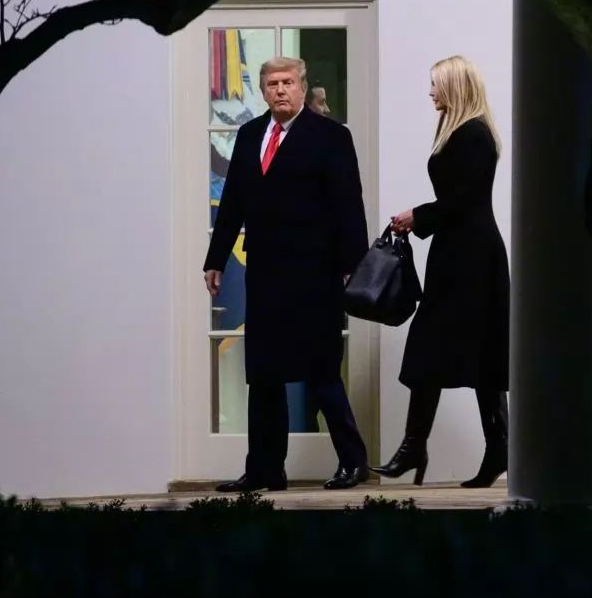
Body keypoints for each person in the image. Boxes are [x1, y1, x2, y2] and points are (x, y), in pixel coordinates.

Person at [204, 56, 370, 491]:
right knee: (263, 374)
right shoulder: (249, 135)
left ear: (302, 87)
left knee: (322, 371)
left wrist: (353, 266)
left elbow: (349, 204)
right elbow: (232, 204)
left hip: (315, 273)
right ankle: (265, 469)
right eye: (273, 83)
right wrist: (215, 259)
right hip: (265, 274)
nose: (280, 90)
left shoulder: (331, 136)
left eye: (288, 82)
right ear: (263, 91)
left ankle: (354, 463)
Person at [372, 55, 510, 488]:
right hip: (457, 254)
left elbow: (464, 200)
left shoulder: (473, 135)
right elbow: (459, 200)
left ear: (454, 86)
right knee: (445, 351)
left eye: (435, 84)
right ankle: (421, 447)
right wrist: (423, 217)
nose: (430, 91)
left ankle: (466, 448)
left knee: (476, 355)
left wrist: (419, 215)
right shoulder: (461, 131)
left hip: (473, 258)